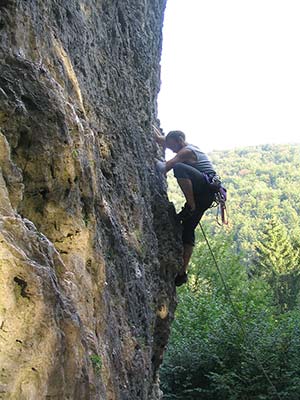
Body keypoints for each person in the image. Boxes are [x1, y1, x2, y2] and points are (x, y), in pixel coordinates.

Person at [153, 125, 217, 286]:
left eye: (173, 146)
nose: (172, 150)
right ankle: (182, 272)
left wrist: (152, 162)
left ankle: (191, 205)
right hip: (205, 194)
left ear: (180, 141)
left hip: (205, 190)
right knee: (187, 230)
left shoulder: (187, 151)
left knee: (179, 167)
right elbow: (161, 140)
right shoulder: (182, 147)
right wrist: (149, 126)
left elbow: (164, 168)